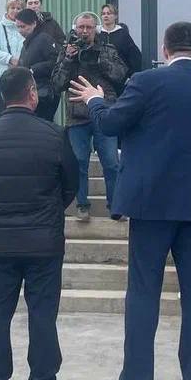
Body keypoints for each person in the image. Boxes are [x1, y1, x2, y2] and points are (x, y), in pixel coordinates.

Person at [70, 21, 191, 380]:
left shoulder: (146, 82)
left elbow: (110, 124)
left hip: (150, 204)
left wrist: (96, 100)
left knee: (144, 292)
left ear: (165, 49)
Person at [0, 67, 79, 380]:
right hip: (43, 241)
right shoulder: (55, 135)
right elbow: (71, 185)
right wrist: (50, 210)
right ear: (32, 93)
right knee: (42, 314)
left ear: (2, 97)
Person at [52, 12, 129, 222]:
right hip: (77, 115)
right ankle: (82, 205)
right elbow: (57, 84)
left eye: (89, 27)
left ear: (96, 29)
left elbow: (120, 75)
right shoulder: (67, 51)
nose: (84, 32)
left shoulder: (107, 49)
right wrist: (68, 59)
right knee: (79, 162)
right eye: (81, 27)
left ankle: (116, 206)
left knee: (111, 163)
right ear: (75, 28)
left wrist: (100, 59)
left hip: (105, 112)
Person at [15, 8, 62, 121]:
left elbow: (56, 62)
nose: (20, 30)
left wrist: (34, 69)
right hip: (32, 91)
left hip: (45, 93)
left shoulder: (44, 39)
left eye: (23, 26)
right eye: (18, 27)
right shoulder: (26, 44)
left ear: (34, 24)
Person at [0, 0, 26, 114]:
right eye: (12, 8)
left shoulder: (25, 28)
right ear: (7, 9)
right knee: (2, 111)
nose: (15, 11)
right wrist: (9, 59)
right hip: (1, 77)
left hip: (20, 76)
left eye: (19, 8)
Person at [99, 2, 143, 74]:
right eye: (103, 14)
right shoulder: (97, 34)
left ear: (115, 16)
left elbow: (134, 56)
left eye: (109, 13)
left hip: (120, 76)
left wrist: (130, 75)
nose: (106, 16)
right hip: (101, 76)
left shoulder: (123, 34)